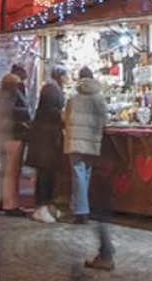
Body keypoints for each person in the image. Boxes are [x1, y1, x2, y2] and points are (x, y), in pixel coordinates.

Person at [65, 66, 107, 227]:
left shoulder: (73, 95)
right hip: (92, 138)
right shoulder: (99, 96)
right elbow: (104, 117)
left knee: (78, 173)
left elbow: (65, 116)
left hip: (75, 138)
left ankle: (80, 211)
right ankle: (82, 207)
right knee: (86, 173)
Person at [0, 67, 31, 215]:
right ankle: (10, 205)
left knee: (7, 170)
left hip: (6, 136)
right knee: (11, 171)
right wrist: (23, 121)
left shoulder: (4, 93)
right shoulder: (13, 93)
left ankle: (7, 202)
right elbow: (10, 112)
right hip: (12, 136)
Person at [27, 67, 67, 220]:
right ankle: (42, 206)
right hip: (46, 138)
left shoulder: (52, 88)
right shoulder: (51, 89)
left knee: (47, 173)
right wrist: (63, 118)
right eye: (66, 75)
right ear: (61, 76)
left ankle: (45, 206)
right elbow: (51, 112)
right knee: (45, 173)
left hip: (47, 136)